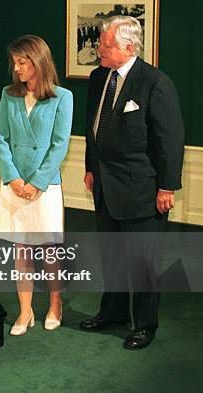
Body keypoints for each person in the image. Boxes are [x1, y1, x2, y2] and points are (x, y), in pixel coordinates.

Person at [81, 16, 184, 349]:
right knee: (111, 256)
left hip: (142, 189)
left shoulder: (154, 83)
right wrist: (90, 167)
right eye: (101, 43)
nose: (100, 50)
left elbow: (170, 140)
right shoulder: (99, 78)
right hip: (105, 186)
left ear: (128, 47)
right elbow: (92, 129)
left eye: (106, 45)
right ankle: (112, 313)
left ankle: (144, 324)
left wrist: (167, 187)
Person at [0, 35, 73, 336]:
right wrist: (13, 178)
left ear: (38, 62)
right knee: (22, 251)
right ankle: (25, 311)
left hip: (45, 186)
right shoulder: (8, 94)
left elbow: (59, 145)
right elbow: (1, 137)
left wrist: (37, 183)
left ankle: (55, 304)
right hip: (13, 184)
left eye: (22, 62)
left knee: (49, 252)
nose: (16, 68)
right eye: (15, 62)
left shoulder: (62, 97)